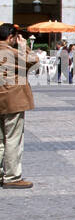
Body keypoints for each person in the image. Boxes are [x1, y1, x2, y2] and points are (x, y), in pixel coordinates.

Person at [0, 25, 39, 189]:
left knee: (0, 140)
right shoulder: (14, 53)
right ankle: (12, 177)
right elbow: (34, 63)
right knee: (13, 139)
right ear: (11, 37)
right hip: (13, 100)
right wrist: (24, 46)